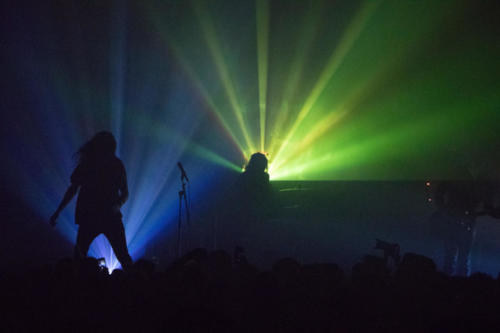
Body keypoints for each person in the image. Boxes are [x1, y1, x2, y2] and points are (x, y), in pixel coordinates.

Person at [50, 131, 133, 270]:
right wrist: (117, 205)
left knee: (82, 256)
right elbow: (125, 193)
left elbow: (73, 189)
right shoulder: (102, 164)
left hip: (98, 216)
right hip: (97, 216)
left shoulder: (102, 164)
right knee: (121, 255)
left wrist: (58, 211)